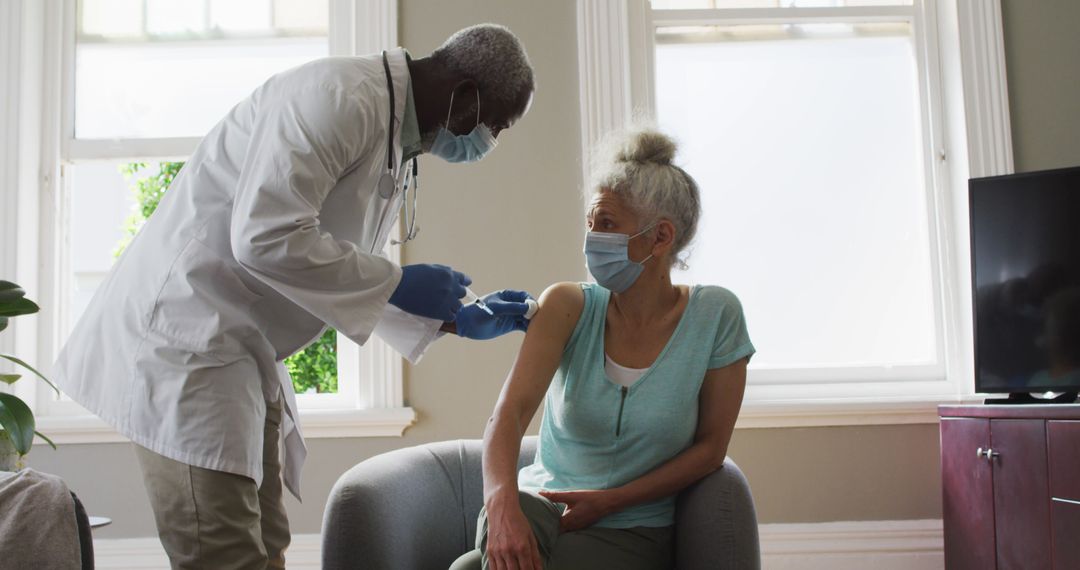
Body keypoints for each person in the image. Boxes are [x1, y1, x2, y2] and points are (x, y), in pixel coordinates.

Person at [53, 24, 535, 569]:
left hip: (240, 350)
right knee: (226, 557)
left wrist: (452, 317)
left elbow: (324, 267)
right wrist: (398, 281)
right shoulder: (338, 99)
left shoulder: (393, 136)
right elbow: (265, 235)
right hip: (187, 343)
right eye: (495, 125)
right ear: (466, 96)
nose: (488, 142)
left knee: (267, 550)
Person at [450, 127, 755, 570]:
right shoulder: (567, 304)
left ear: (661, 237)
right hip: (540, 505)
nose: (592, 239)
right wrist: (500, 503)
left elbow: (710, 449)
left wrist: (611, 501)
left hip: (635, 525)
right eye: (591, 223)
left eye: (608, 224)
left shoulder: (716, 315)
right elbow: (509, 413)